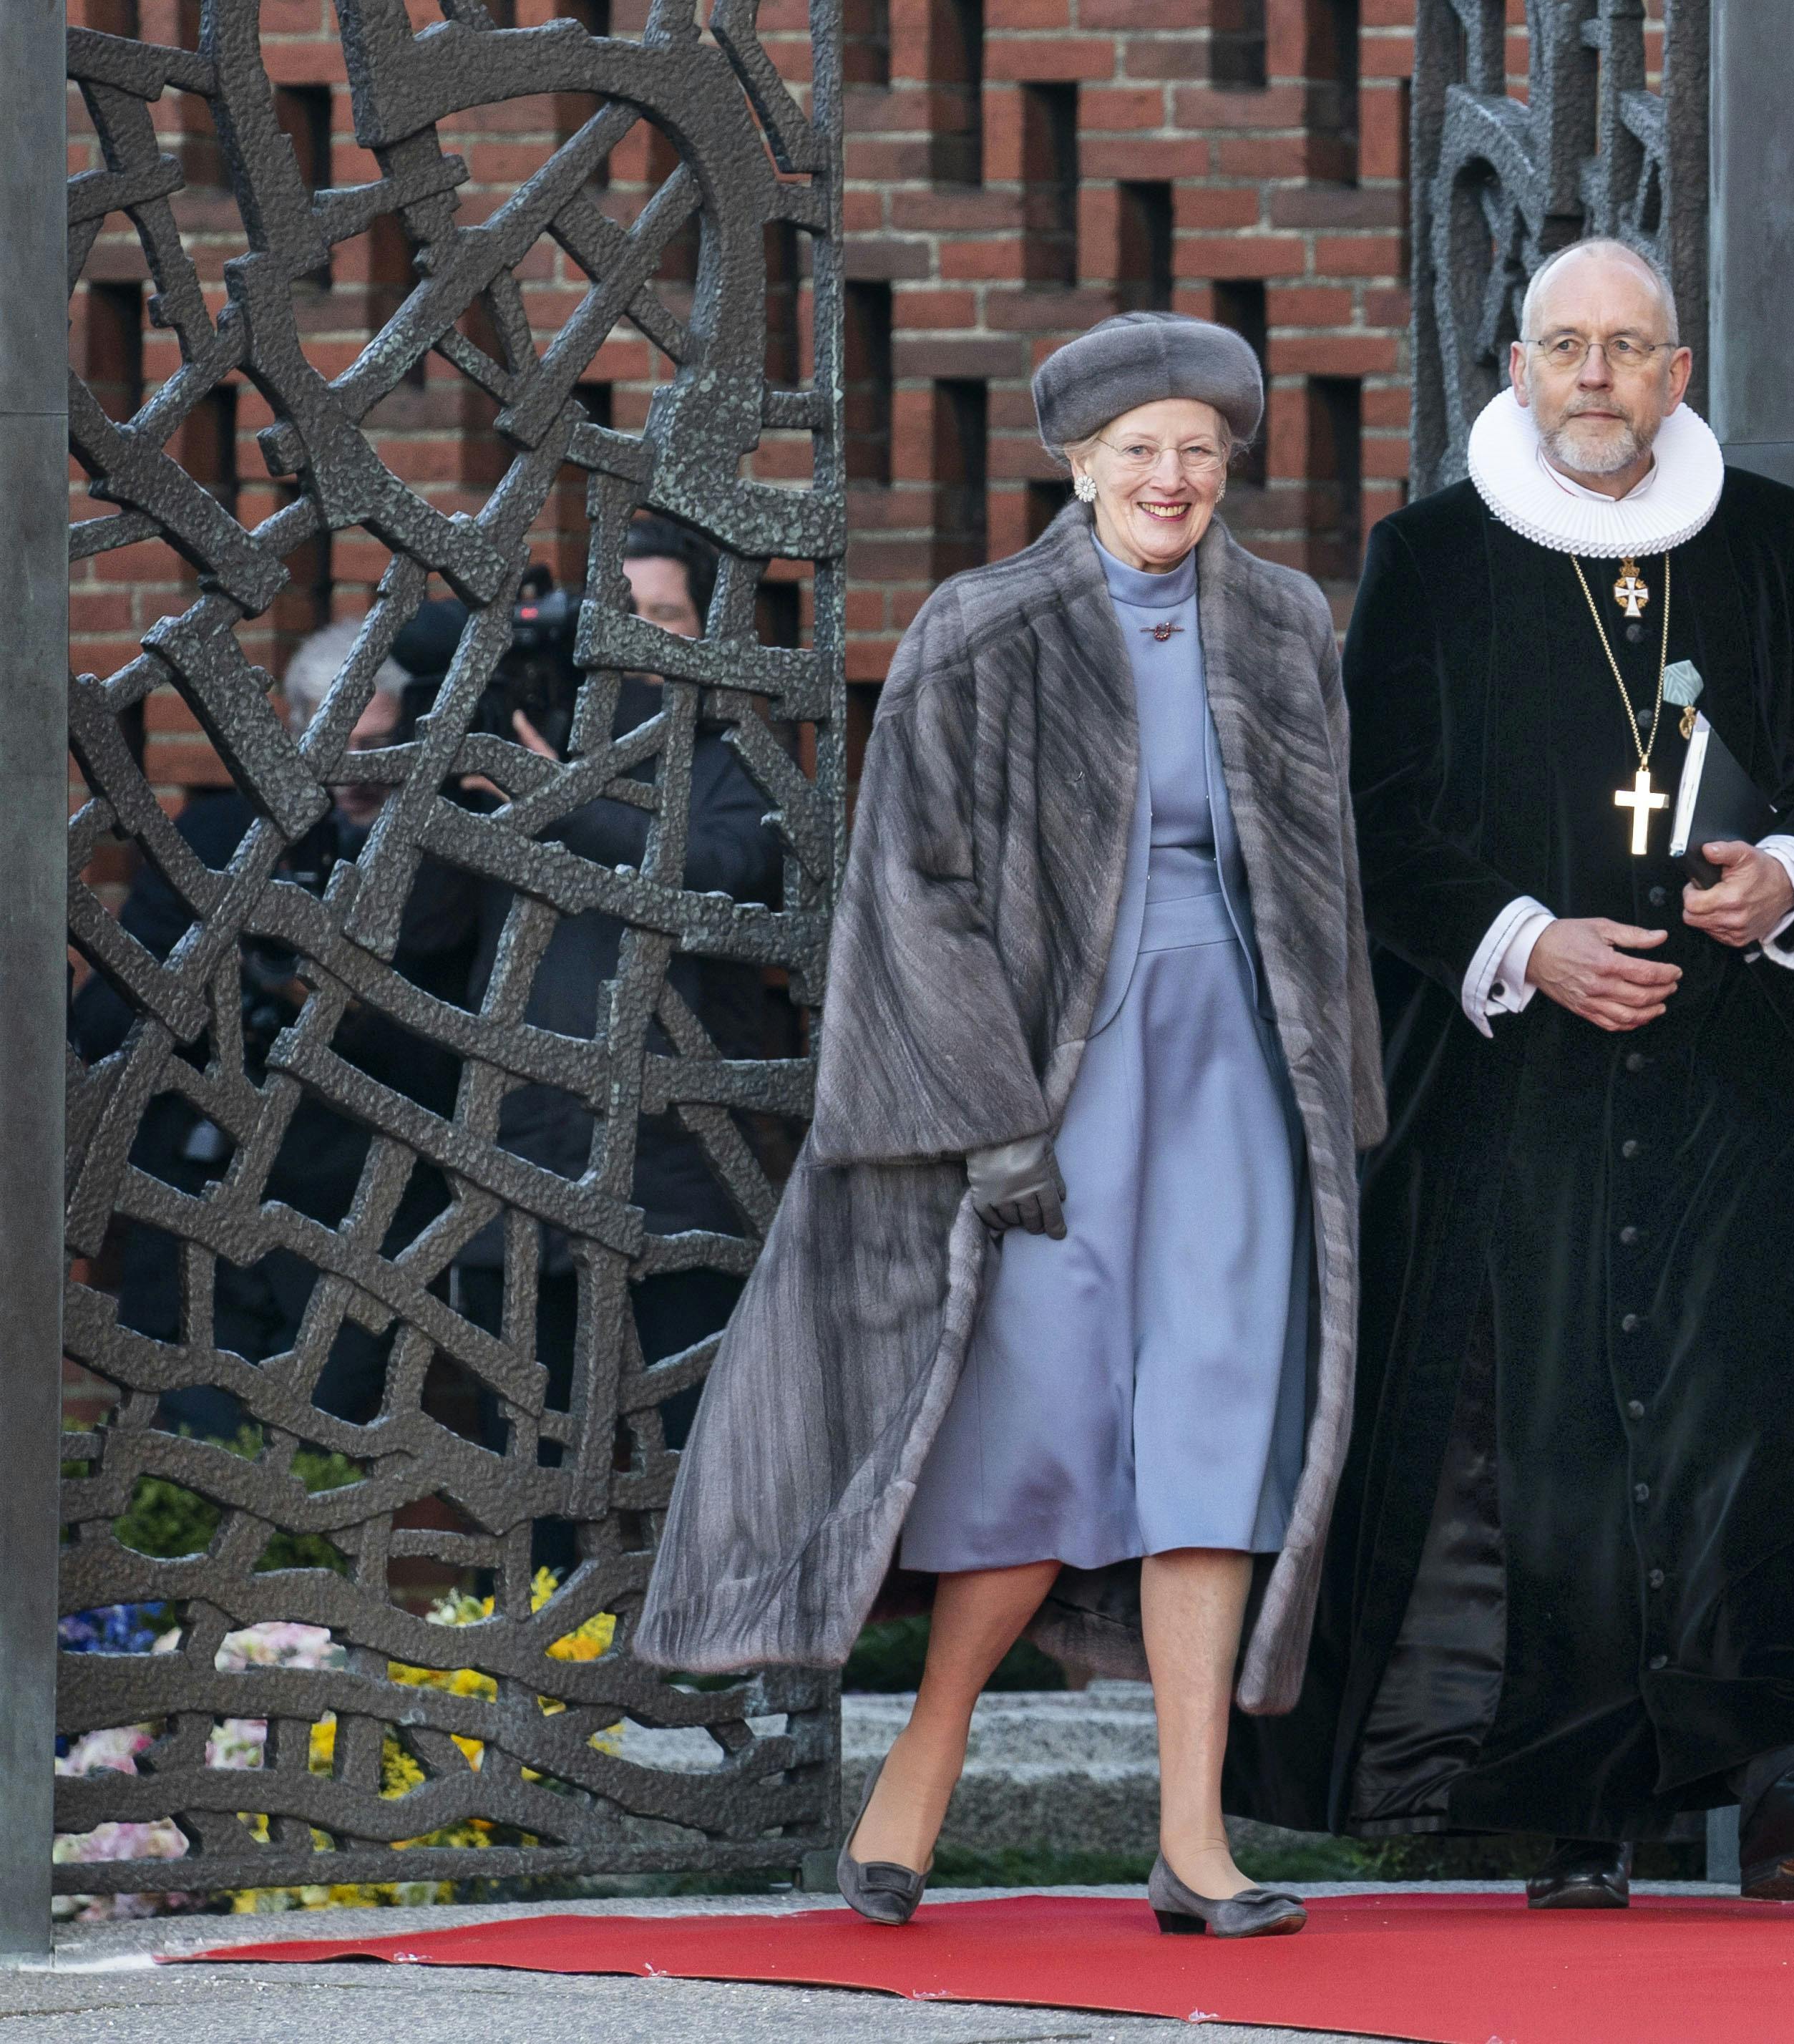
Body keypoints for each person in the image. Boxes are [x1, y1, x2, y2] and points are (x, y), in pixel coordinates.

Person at [635, 311, 1384, 1940]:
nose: (1171, 476)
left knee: (1211, 1436)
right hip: (1047, 1093)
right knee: (1033, 1442)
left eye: (1198, 447)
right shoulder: (981, 628)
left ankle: (1194, 1842)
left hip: (1237, 1080)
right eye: (1138, 450)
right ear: (1076, 462)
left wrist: (1343, 1095)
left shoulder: (1280, 619)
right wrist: (988, 1123)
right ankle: (924, 1752)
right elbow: (909, 895)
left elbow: (1324, 880)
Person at [1227, 240, 1794, 1907]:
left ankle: (1780, 1779)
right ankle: (1569, 1813)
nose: (1597, 375)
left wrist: (1791, 873)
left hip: (1731, 1058)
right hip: (1517, 1074)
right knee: (1537, 1423)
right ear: (1518, 366)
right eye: (1566, 345)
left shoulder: (1758, 538)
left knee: (1743, 1405)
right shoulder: (1432, 556)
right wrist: (1524, 937)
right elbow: (1374, 815)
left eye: (1629, 347)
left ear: (1676, 373)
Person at [432, 515, 784, 1562]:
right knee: (530, 1489)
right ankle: (539, 1699)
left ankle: (705, 1697)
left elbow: (724, 872)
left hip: (673, 1184)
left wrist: (559, 802)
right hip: (518, 1181)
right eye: (616, 624)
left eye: (660, 622)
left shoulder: (735, 760)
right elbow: (414, 934)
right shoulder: (508, 749)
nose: (636, 648)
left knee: (694, 1478)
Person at [69, 620, 469, 1433]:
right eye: (335, 742)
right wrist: (217, 963)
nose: (355, 773)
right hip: (196, 1216)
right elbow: (103, 1017)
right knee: (177, 1480)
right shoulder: (217, 842)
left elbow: (453, 1071)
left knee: (312, 1486)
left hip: (352, 1231)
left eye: (377, 746)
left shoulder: (442, 868)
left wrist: (335, 999)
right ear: (291, 732)